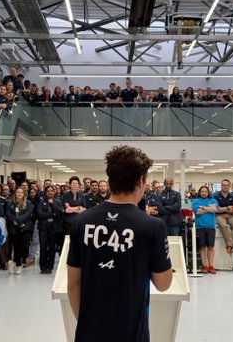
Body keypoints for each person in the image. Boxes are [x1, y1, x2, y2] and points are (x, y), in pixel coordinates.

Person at [67, 145, 173, 342]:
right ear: (141, 180)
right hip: (131, 333)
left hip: (89, 332)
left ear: (110, 179)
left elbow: (73, 285)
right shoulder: (152, 226)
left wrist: (86, 324)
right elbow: (163, 284)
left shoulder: (82, 221)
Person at [5, 187, 33, 275]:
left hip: (26, 228)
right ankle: (18, 264)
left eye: (21, 192)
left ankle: (14, 261)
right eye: (18, 192)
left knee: (24, 247)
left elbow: (29, 213)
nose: (20, 194)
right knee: (16, 247)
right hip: (14, 228)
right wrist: (15, 220)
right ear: (15, 194)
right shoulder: (10, 203)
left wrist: (19, 219)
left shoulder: (28, 203)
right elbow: (8, 214)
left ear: (24, 194)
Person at [192, 185, 219, 274]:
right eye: (202, 191)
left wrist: (203, 207)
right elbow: (198, 212)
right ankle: (205, 266)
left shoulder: (213, 200)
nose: (204, 193)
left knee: (211, 247)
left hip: (211, 227)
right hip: (200, 227)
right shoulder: (196, 201)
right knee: (202, 247)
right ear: (200, 192)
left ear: (208, 193)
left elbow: (215, 209)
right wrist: (209, 208)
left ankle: (211, 266)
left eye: (205, 192)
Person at [37, 185, 63, 274]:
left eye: (52, 190)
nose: (50, 192)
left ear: (54, 192)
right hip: (43, 227)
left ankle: (50, 267)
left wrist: (52, 204)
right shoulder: (41, 202)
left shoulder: (58, 202)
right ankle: (43, 267)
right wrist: (52, 214)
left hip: (53, 227)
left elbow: (59, 212)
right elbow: (40, 214)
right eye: (48, 191)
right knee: (43, 247)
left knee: (52, 248)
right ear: (45, 192)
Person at [213, 179, 233, 254]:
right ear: (221, 186)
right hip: (219, 215)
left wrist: (224, 209)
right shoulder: (215, 195)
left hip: (231, 215)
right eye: (223, 185)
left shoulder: (232, 196)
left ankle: (229, 246)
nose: (225, 186)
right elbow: (216, 210)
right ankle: (230, 245)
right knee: (223, 225)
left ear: (229, 186)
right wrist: (228, 208)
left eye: (226, 185)